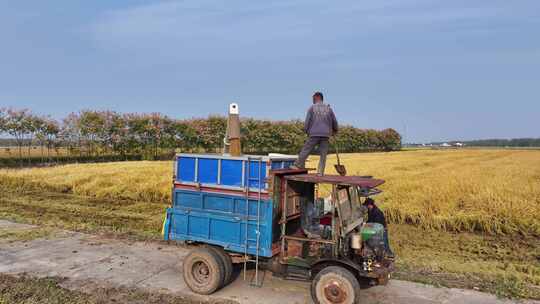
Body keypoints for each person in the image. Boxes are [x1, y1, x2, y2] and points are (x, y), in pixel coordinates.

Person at [292, 92, 338, 175]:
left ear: (317, 97)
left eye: (313, 98)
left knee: (306, 149)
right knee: (323, 154)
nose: (312, 100)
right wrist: (335, 130)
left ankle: (297, 165)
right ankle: (320, 172)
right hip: (326, 134)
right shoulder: (329, 109)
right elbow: (334, 121)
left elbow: (307, 122)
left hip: (314, 133)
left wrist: (306, 131)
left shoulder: (312, 108)